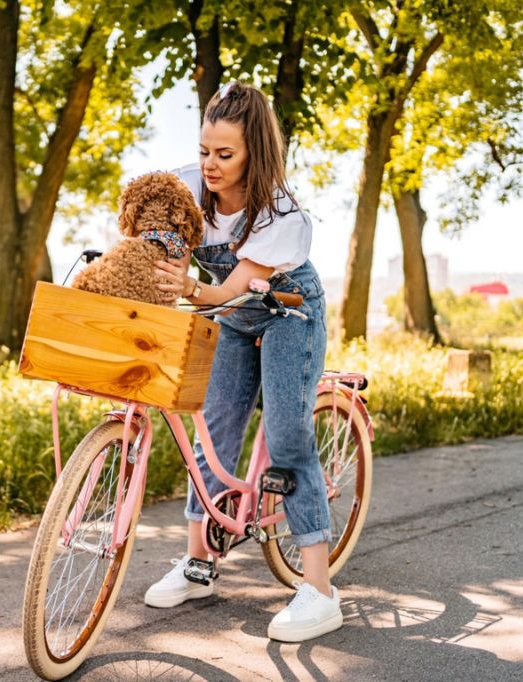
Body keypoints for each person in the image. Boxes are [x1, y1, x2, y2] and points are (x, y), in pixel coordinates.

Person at [146, 82, 340, 643]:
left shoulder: (281, 215)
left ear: (254, 152)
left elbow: (223, 289)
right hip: (235, 314)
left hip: (288, 311)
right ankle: (198, 564)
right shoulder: (187, 185)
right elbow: (175, 247)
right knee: (214, 429)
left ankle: (320, 591)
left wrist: (184, 283)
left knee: (287, 436)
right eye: (206, 150)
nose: (210, 164)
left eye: (225, 154)